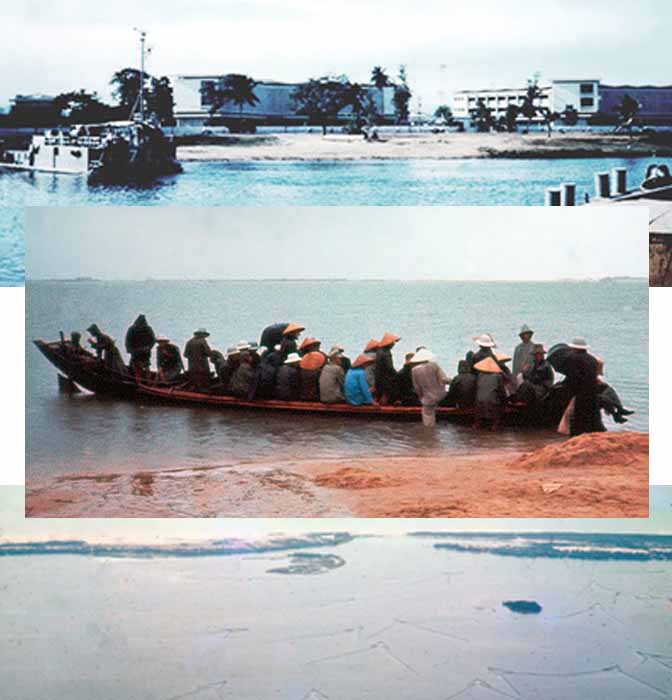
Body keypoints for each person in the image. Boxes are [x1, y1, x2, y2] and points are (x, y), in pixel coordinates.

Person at [564, 337, 605, 436]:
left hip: (581, 392)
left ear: (575, 348)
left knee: (578, 418)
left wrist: (570, 390)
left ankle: (575, 437)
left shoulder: (574, 358)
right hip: (593, 391)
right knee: (593, 417)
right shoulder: (592, 359)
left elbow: (574, 377)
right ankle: (598, 434)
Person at [410, 348, 450, 427]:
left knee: (427, 415)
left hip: (428, 398)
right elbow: (444, 379)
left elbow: (417, 387)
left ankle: (429, 434)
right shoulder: (434, 365)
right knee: (431, 409)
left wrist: (421, 397)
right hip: (440, 395)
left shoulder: (414, 370)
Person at [473, 356, 507, 430]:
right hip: (492, 403)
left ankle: (477, 424)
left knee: (477, 422)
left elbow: (478, 389)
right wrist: (505, 403)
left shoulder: (479, 375)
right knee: (496, 405)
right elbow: (502, 392)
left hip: (479, 403)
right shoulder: (498, 376)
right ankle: (494, 426)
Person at [375, 332, 401, 404]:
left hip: (379, 377)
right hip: (385, 377)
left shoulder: (379, 351)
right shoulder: (386, 353)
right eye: (393, 342)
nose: (393, 344)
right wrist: (397, 374)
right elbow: (389, 367)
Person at [183, 328, 213, 392]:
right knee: (204, 383)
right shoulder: (202, 341)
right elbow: (209, 353)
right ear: (202, 335)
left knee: (194, 382)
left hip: (192, 367)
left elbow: (185, 354)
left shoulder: (189, 342)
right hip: (203, 366)